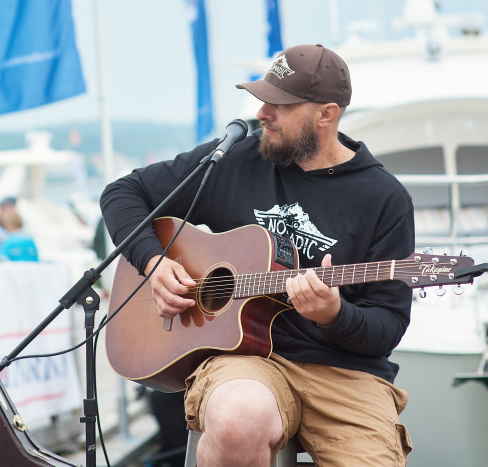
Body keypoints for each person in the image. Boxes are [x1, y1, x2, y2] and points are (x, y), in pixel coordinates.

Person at [100, 44, 415, 466]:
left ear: (327, 114)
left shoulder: (383, 198)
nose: (262, 112)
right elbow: (124, 192)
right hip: (245, 360)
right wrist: (154, 263)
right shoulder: (238, 159)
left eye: (279, 104)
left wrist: (333, 315)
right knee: (236, 421)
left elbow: (387, 326)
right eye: (263, 99)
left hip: (346, 374)